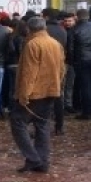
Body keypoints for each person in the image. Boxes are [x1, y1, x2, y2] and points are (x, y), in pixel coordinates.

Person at [11, 18, 64, 173]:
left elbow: (29, 73)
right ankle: (42, 161)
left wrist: (23, 95)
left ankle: (33, 158)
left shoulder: (32, 44)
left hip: (35, 92)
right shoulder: (55, 43)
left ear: (29, 28)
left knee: (18, 122)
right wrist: (57, 85)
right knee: (42, 125)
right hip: (51, 90)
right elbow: (61, 69)